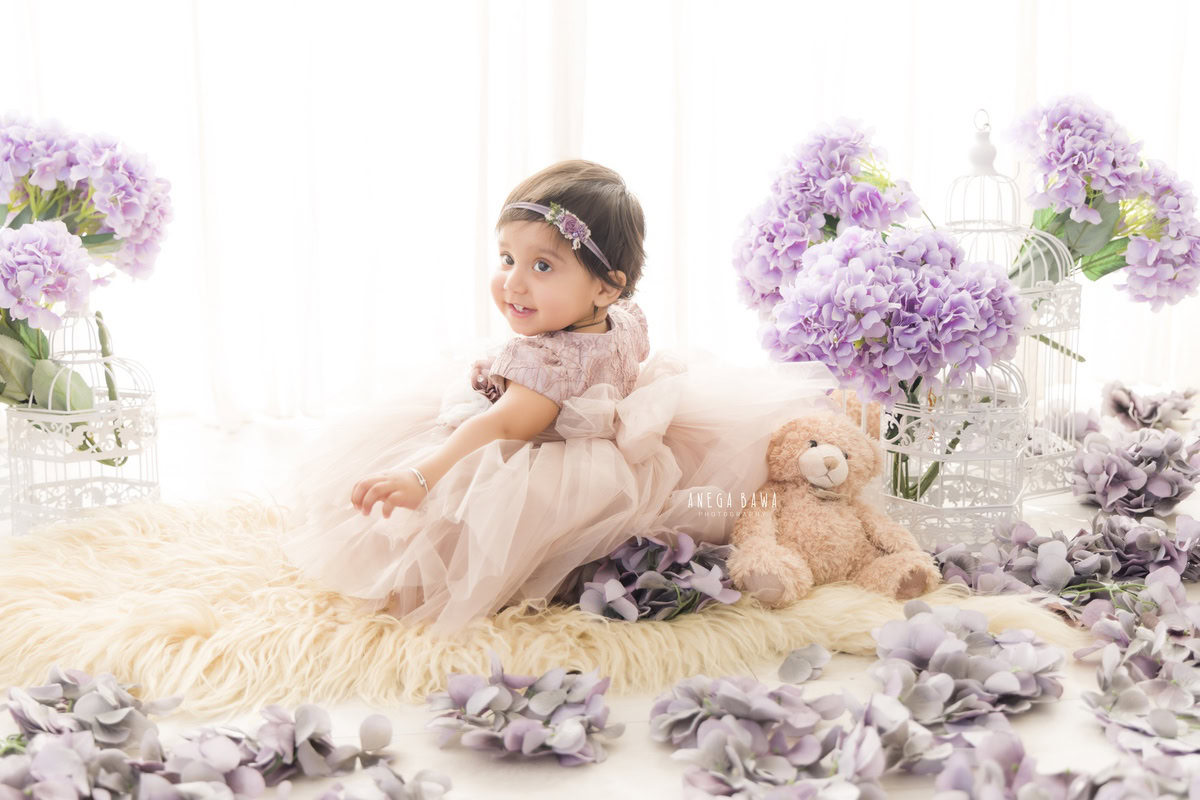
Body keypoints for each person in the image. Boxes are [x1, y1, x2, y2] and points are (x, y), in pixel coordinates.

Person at [275, 158, 838, 633]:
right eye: (507, 259)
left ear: (606, 284)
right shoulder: (625, 318)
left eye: (542, 265)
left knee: (455, 531)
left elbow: (497, 427)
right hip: (608, 446)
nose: (514, 282)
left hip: (548, 458)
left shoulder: (538, 359)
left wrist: (421, 476)